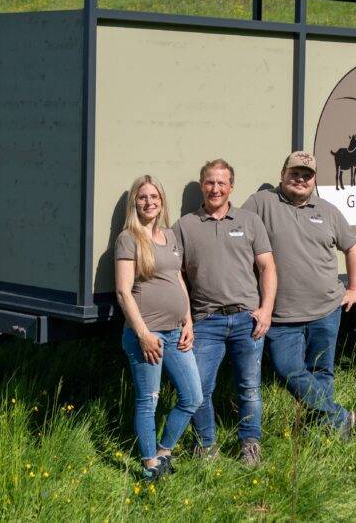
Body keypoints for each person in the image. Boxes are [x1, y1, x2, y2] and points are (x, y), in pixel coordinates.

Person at [242, 151, 356, 435]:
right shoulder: (261, 203)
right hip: (282, 316)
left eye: (307, 175)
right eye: (294, 173)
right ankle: (339, 415)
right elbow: (238, 235)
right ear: (282, 175)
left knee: (322, 371)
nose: (300, 179)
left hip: (327, 309)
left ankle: (327, 428)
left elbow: (352, 247)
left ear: (314, 180)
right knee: (288, 370)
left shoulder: (328, 211)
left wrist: (355, 288)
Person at [173, 159, 277, 466]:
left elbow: (267, 266)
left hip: (247, 318)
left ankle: (250, 445)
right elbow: (174, 274)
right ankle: (206, 446)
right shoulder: (185, 226)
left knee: (249, 387)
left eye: (222, 182)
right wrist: (186, 318)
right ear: (202, 185)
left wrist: (266, 310)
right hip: (205, 321)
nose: (215, 188)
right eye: (209, 182)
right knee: (199, 389)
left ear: (231, 186)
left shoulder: (249, 221)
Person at [115, 175, 202, 481]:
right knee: (148, 400)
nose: (149, 202)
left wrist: (188, 320)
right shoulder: (128, 238)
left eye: (154, 197)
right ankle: (150, 465)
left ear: (161, 202)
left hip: (176, 332)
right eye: (142, 197)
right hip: (147, 336)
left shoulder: (170, 236)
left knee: (193, 396)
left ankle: (164, 452)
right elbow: (124, 292)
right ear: (134, 203)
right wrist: (143, 335)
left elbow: (178, 279)